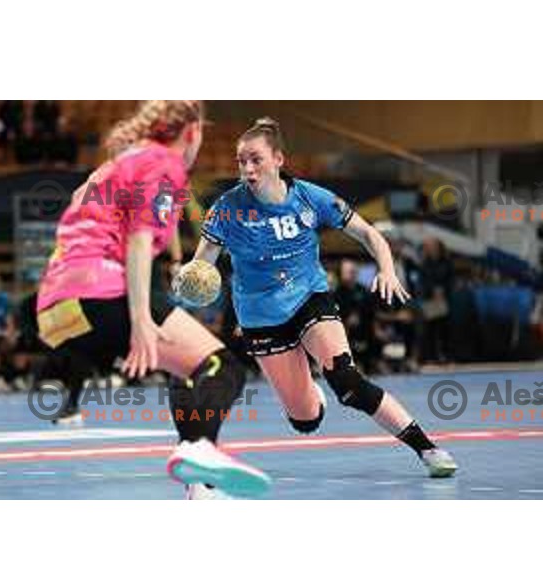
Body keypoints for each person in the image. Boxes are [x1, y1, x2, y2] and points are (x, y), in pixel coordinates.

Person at [186, 117, 457, 478]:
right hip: (260, 315)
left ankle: (428, 449)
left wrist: (387, 270)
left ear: (278, 159)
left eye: (256, 159)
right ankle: (309, 392)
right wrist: (189, 280)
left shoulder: (311, 198)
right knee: (306, 420)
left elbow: (369, 235)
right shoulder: (227, 208)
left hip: (309, 297)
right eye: (241, 161)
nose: (248, 169)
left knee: (348, 384)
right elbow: (201, 264)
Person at [30, 101, 270, 499]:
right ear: (192, 132)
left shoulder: (118, 162)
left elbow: (79, 200)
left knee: (187, 370)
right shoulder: (165, 163)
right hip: (101, 292)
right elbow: (140, 241)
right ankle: (198, 450)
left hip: (55, 309)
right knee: (223, 367)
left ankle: (200, 487)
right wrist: (141, 318)